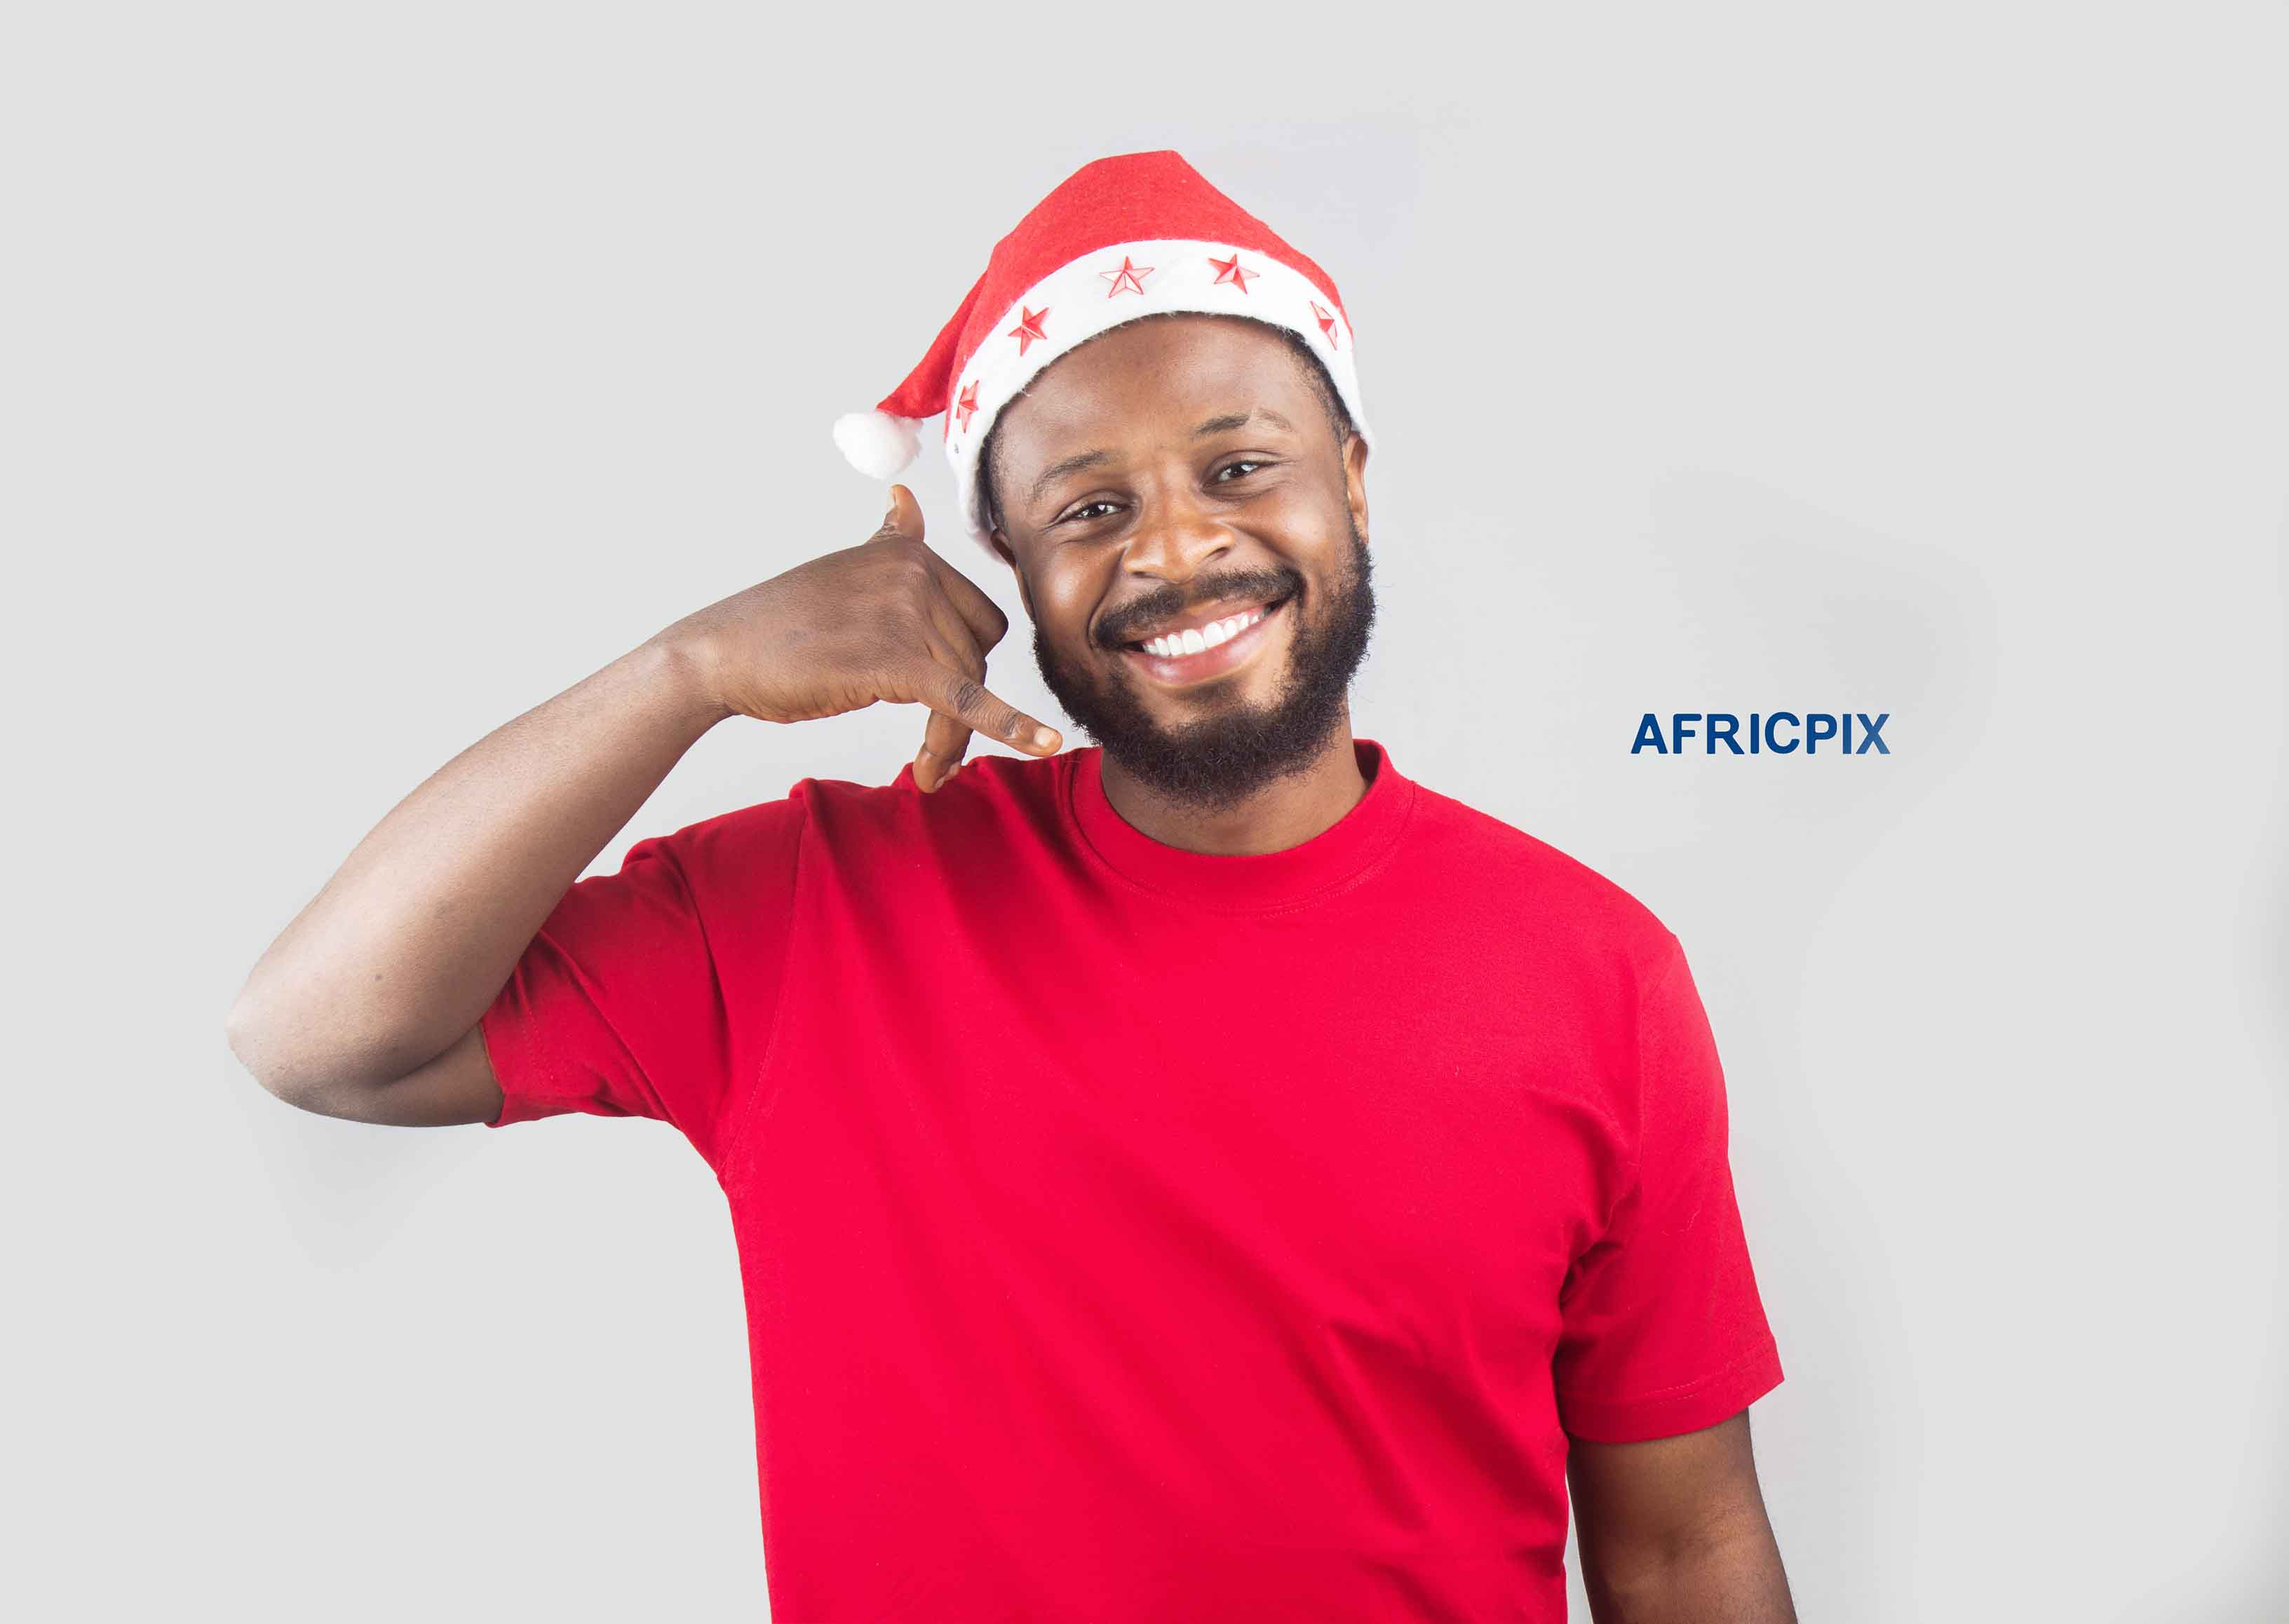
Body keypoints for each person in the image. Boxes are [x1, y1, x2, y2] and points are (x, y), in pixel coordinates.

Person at [228, 149, 1795, 1621]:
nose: (1177, 550)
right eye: (1089, 507)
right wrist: (687, 670)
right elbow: (318, 1036)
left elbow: (1682, 1544)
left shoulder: (1595, 971)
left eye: (1241, 466)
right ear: (1005, 567)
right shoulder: (818, 908)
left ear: (1356, 483)